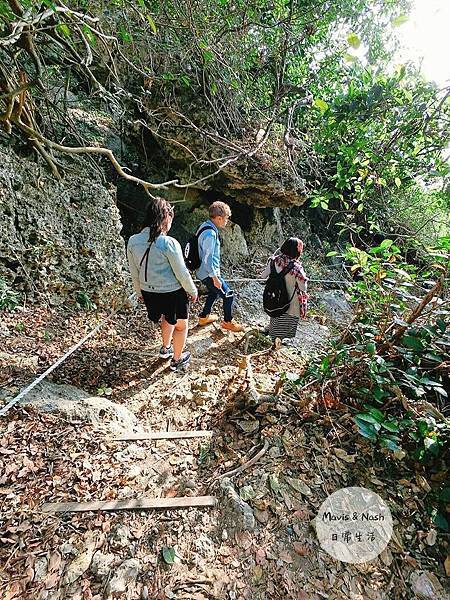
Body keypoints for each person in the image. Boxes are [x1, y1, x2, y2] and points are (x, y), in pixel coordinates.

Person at [127, 197, 198, 371]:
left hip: (148, 292)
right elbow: (181, 273)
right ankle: (177, 359)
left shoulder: (133, 241)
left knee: (167, 318)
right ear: (166, 216)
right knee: (181, 326)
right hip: (172, 293)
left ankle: (165, 348)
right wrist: (192, 290)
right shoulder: (169, 243)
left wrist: (139, 293)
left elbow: (134, 271)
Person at [196, 201, 244, 332]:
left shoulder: (204, 226)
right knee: (228, 295)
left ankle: (204, 317)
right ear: (218, 218)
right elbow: (208, 258)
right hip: (209, 273)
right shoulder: (211, 234)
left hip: (203, 272)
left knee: (214, 293)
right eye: (226, 218)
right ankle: (228, 321)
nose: (227, 221)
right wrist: (215, 278)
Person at [260, 237, 308, 341]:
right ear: (296, 251)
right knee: (286, 321)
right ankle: (279, 340)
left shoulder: (274, 260)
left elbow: (263, 276)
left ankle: (272, 334)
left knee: (276, 315)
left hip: (274, 297)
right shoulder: (297, 268)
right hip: (291, 301)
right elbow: (303, 287)